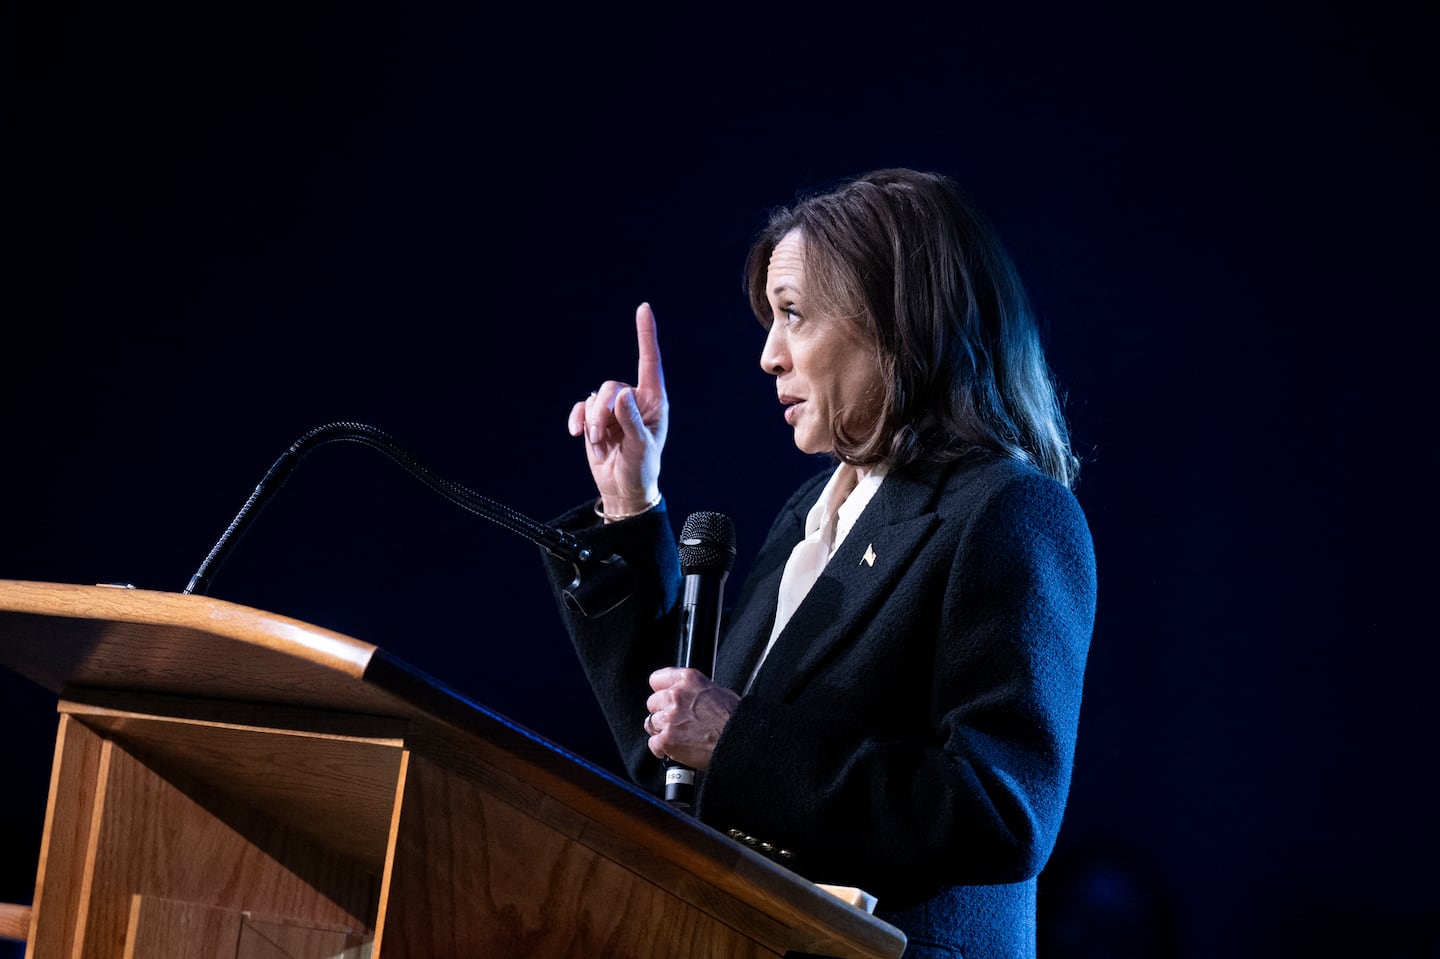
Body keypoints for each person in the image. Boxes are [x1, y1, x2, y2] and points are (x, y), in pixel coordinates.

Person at [542, 168, 1096, 959]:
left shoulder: (1008, 511)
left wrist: (736, 740)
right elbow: (677, 757)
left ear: (897, 321)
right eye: (771, 320)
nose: (769, 355)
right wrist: (632, 506)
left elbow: (998, 813)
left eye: (794, 315)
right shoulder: (813, 512)